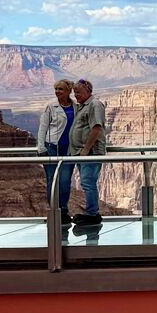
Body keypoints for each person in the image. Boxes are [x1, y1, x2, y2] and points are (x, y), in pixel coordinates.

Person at [67, 78, 106, 227]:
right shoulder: (82, 106)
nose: (76, 94)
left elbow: (96, 128)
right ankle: (91, 213)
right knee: (86, 182)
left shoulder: (94, 105)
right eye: (75, 92)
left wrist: (86, 149)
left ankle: (92, 214)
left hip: (90, 153)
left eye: (79, 91)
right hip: (80, 152)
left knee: (88, 183)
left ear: (89, 90)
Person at [36, 78, 74, 214]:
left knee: (65, 181)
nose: (57, 92)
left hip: (69, 149)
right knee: (52, 180)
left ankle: (63, 210)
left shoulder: (75, 107)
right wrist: (41, 148)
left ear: (69, 91)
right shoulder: (51, 107)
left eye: (61, 89)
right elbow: (43, 128)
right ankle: (53, 210)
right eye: (56, 89)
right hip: (52, 147)